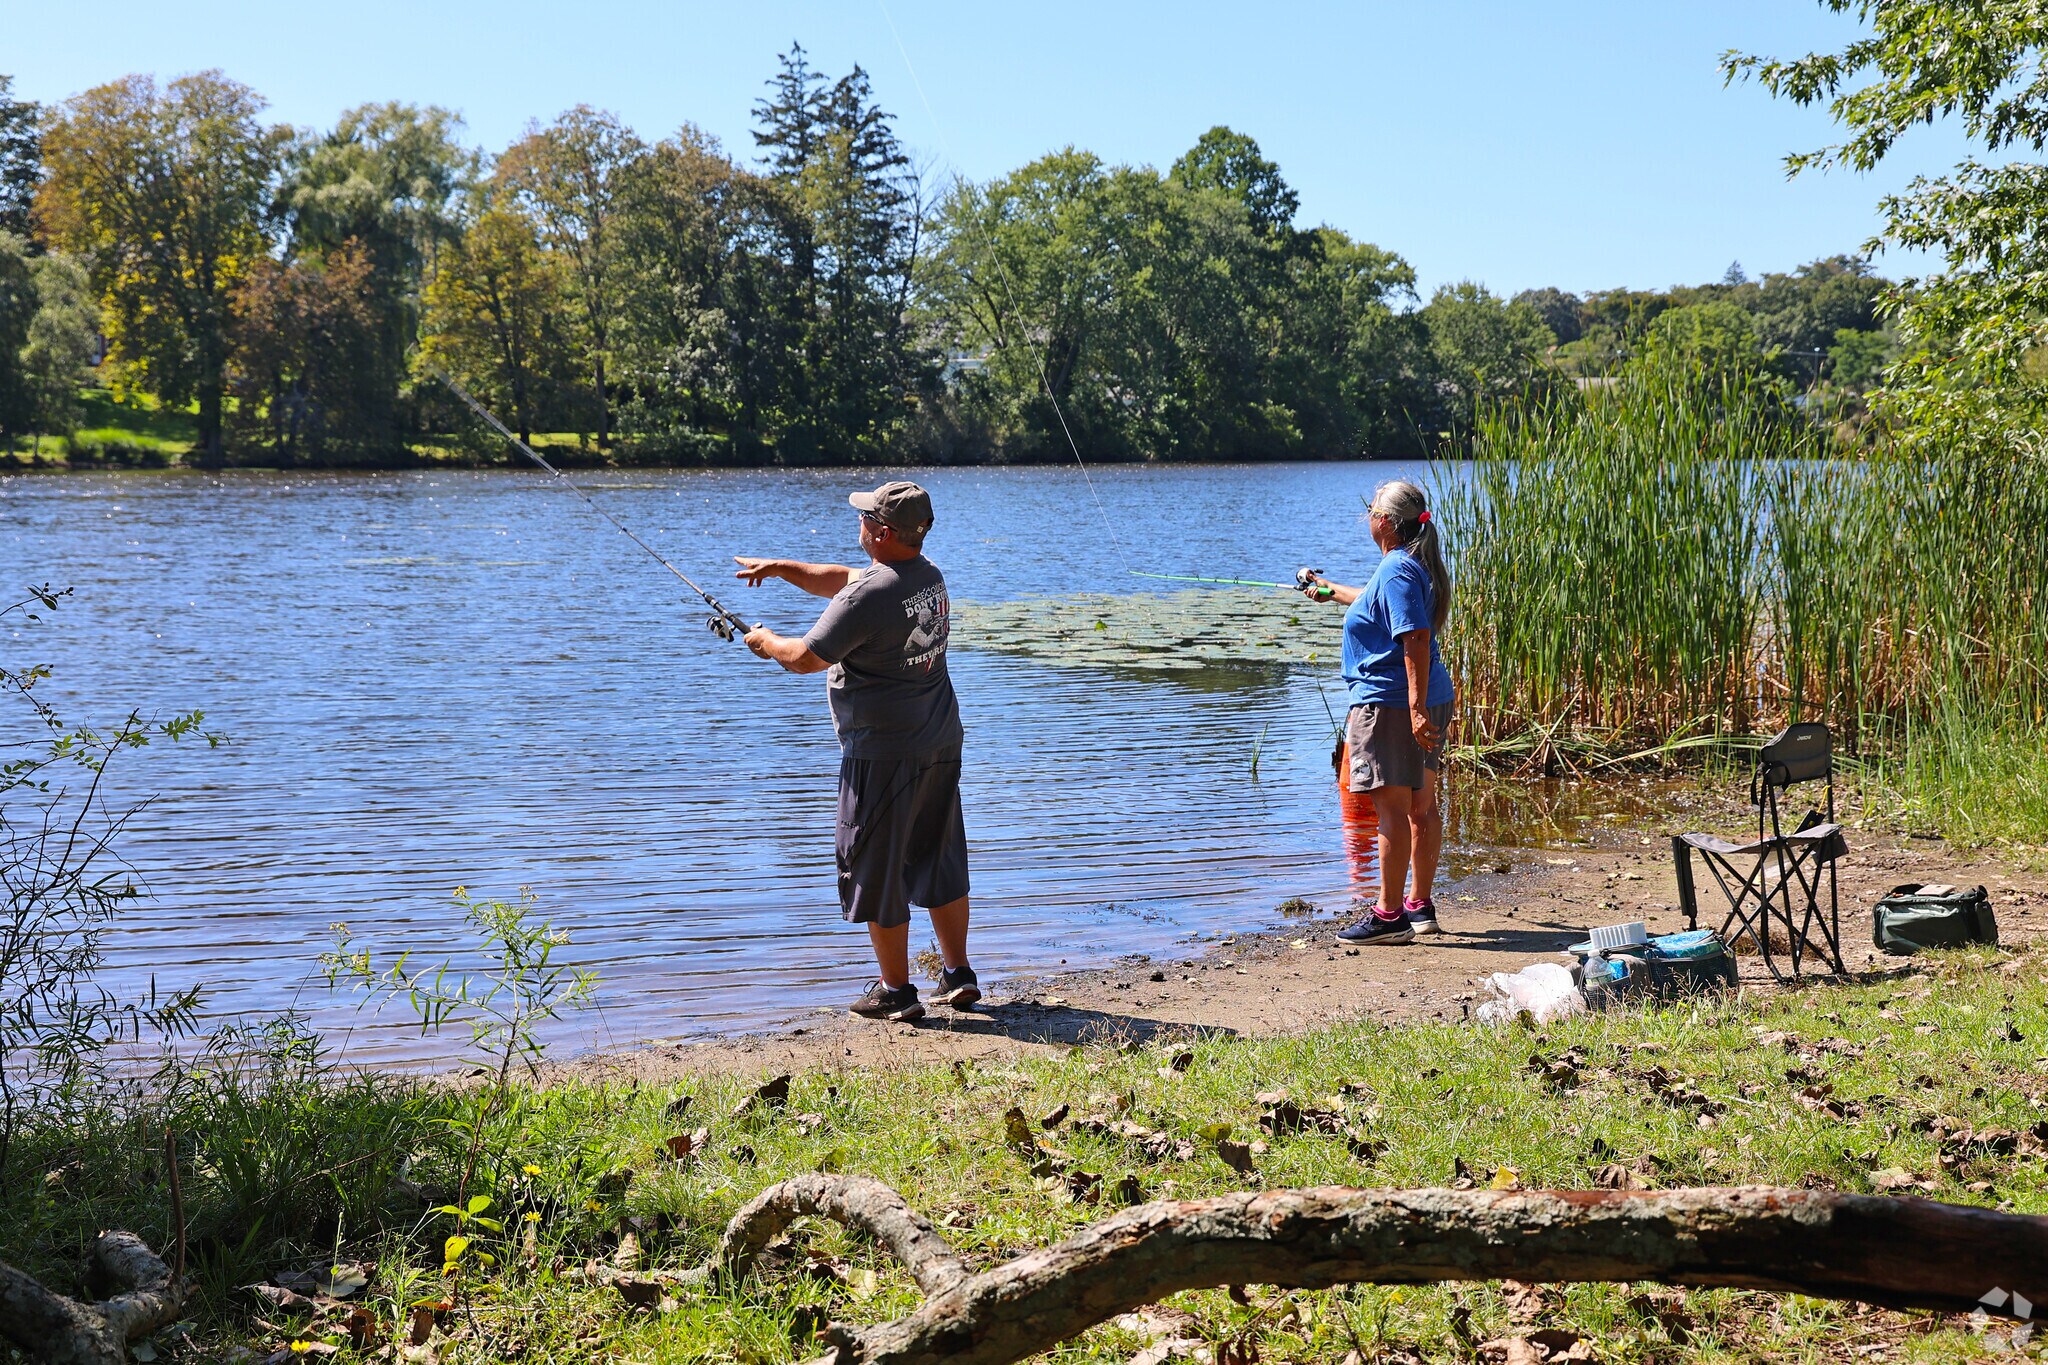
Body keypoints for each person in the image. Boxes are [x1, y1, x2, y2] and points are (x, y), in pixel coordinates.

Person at [733, 480, 977, 1021]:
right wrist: (779, 567)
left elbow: (803, 657)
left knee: (872, 862)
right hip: (938, 738)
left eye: (864, 518)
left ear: (883, 532)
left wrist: (763, 640)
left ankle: (897, 991)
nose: (858, 524)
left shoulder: (871, 596)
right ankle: (958, 973)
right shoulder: (925, 575)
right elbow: (845, 581)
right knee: (936, 853)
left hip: (885, 754)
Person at [1300, 479, 1455, 944]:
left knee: (1391, 809)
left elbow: (1416, 637)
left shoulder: (1396, 570)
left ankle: (1388, 917)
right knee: (1421, 808)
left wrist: (1414, 708)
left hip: (1390, 703)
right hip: (1425, 696)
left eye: (1371, 509)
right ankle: (1418, 906)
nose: (1367, 516)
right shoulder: (1410, 564)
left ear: (1384, 521)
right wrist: (1328, 590)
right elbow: (1376, 601)